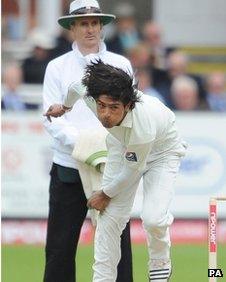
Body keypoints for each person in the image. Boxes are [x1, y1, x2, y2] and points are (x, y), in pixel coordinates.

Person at [44, 60, 187, 282]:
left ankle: (160, 261)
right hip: (120, 147)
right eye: (102, 106)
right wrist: (65, 107)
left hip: (162, 153)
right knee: (109, 220)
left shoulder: (143, 123)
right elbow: (76, 87)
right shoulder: (92, 95)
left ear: (128, 105)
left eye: (114, 108)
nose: (105, 115)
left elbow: (132, 171)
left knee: (153, 219)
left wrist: (104, 193)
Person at [42, 1, 133, 282]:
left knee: (117, 244)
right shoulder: (57, 67)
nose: (90, 28)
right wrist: (87, 146)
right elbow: (52, 118)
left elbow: (130, 112)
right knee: (60, 247)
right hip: (69, 166)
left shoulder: (121, 64)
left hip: (112, 166)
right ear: (72, 28)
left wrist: (106, 149)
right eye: (83, 23)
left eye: (95, 23)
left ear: (102, 26)